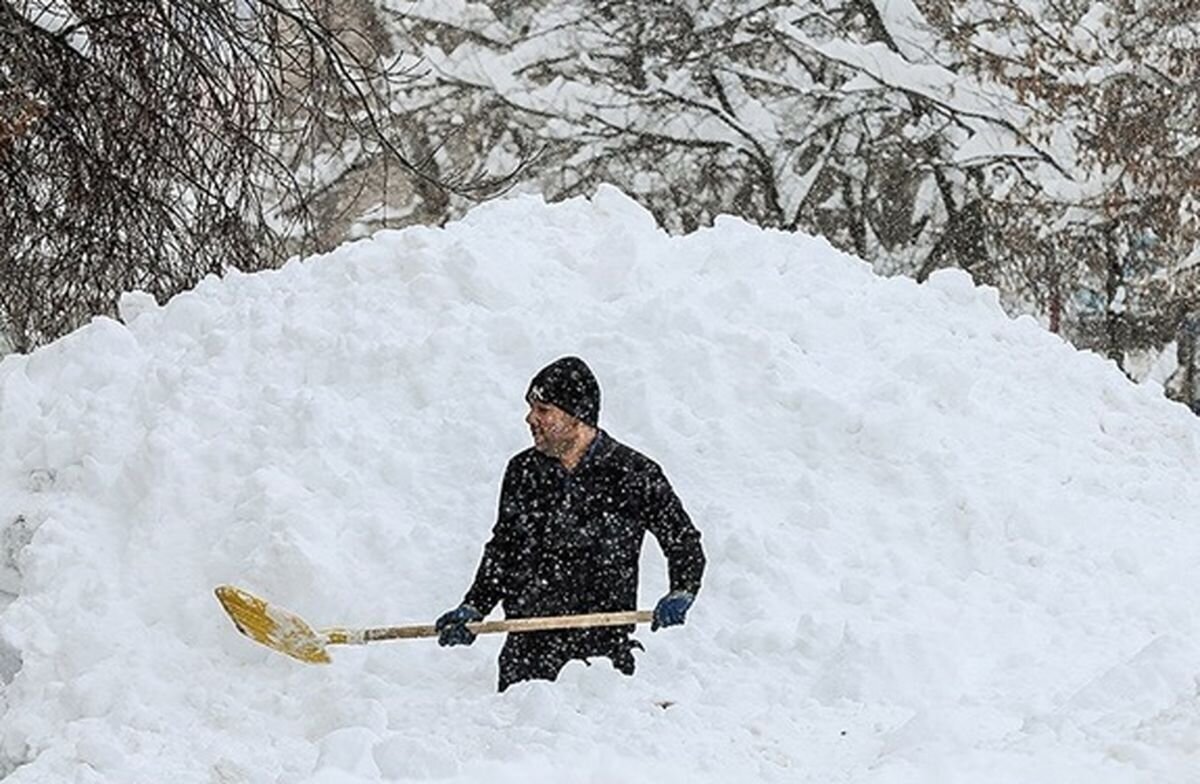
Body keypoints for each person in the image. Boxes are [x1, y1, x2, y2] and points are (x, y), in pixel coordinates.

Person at [436, 356, 706, 691]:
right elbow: (503, 549)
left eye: (544, 410)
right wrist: (474, 605)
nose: (530, 418)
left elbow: (682, 539)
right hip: (527, 653)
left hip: (601, 660)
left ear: (577, 416)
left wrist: (682, 588)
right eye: (532, 408)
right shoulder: (523, 473)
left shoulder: (634, 474)